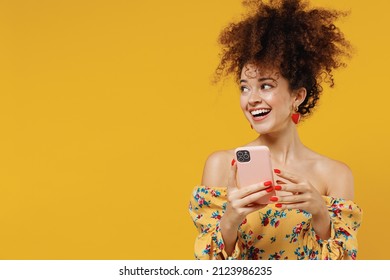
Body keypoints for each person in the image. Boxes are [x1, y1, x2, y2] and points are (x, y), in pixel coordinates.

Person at [189, 0, 362, 260]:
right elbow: (208, 269)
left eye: (266, 85)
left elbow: (342, 269)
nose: (252, 99)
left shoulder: (335, 175)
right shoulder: (223, 165)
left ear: (298, 96)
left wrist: (321, 215)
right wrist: (231, 219)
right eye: (245, 87)